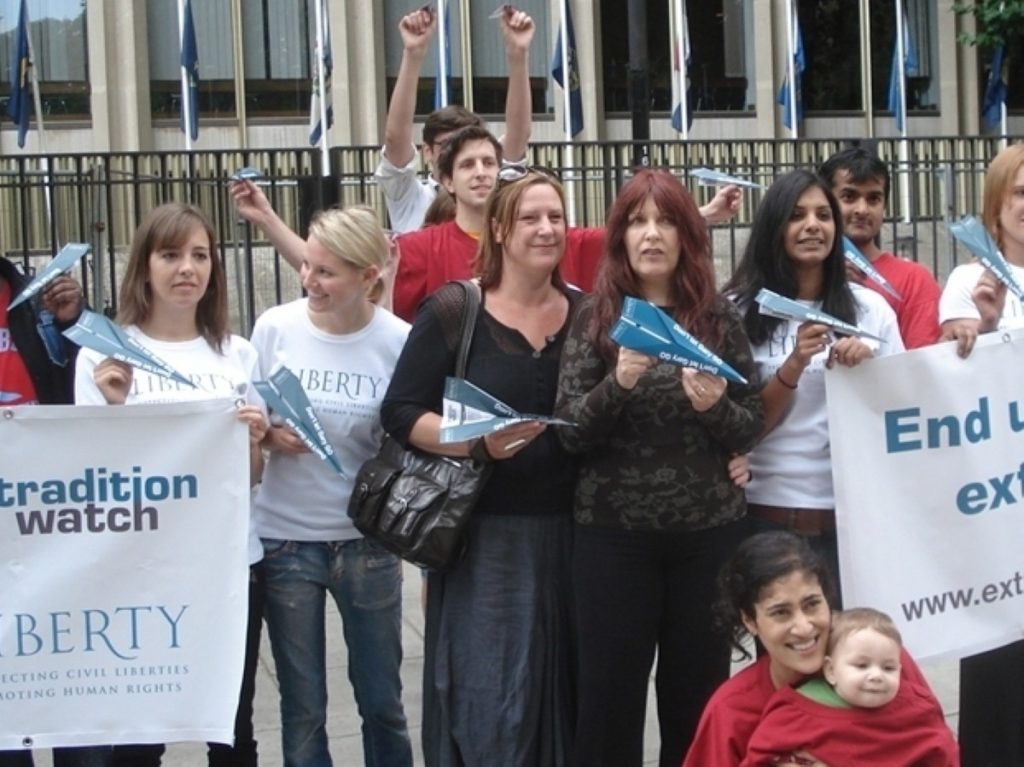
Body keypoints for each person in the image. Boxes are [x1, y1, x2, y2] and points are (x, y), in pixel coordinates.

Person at [554, 168, 764, 767]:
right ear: (619, 236)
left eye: (667, 221)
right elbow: (569, 433)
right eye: (639, 222)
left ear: (686, 236)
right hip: (612, 538)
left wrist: (715, 406)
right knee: (609, 697)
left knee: (696, 696)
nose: (652, 235)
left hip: (707, 536)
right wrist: (618, 382)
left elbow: (751, 425)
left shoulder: (717, 319)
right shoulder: (594, 318)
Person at [381, 169, 580, 766]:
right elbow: (400, 411)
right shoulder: (455, 308)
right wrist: (475, 444)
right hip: (484, 540)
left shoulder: (590, 313)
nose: (546, 229)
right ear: (498, 228)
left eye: (555, 217)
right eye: (530, 218)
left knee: (565, 697)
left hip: (576, 535)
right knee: (488, 698)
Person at [73, 203, 269, 767]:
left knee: (233, 726)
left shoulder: (237, 354)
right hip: (144, 571)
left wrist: (254, 443)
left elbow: (250, 479)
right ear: (144, 266)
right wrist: (115, 410)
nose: (187, 268)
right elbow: (93, 481)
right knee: (139, 733)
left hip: (229, 566)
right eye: (171, 254)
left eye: (200, 255)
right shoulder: (104, 355)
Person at [248, 206, 413, 767]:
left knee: (382, 700)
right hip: (286, 538)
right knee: (303, 706)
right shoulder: (274, 327)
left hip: (366, 539)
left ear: (369, 276)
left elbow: (409, 434)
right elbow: (246, 416)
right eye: (308, 267)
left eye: (326, 272)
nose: (308, 280)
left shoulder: (398, 341)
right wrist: (268, 434)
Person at [723, 169, 904, 584]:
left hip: (850, 522)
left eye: (824, 215)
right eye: (797, 215)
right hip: (762, 518)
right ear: (774, 226)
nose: (812, 226)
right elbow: (736, 428)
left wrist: (871, 372)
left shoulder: (870, 311)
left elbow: (903, 415)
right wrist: (794, 364)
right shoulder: (736, 310)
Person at [684, 531, 946, 767]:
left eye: (812, 604)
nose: (803, 627)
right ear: (750, 621)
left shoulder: (879, 661)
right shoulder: (731, 711)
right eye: (780, 613)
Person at [0, 260, 111, 767]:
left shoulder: (28, 293)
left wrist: (72, 323)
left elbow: (76, 391)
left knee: (70, 691)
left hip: (47, 517)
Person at [937, 142, 1024, 767]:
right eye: (1019, 192)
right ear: (996, 206)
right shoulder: (974, 279)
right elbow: (950, 375)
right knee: (998, 669)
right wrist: (981, 332)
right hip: (996, 513)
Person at [376, 5, 534, 233]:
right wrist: (413, 53)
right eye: (449, 145)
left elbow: (519, 134)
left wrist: (517, 54)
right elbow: (395, 138)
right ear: (427, 151)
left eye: (482, 159)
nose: (476, 168)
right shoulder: (411, 197)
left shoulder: (489, 186)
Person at [741, 607, 958, 766]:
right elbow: (761, 757)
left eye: (888, 667)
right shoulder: (797, 710)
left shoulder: (917, 711)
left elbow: (945, 755)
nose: (876, 675)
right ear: (831, 670)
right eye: (861, 665)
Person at [819, 147, 941, 348]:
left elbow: (919, 366)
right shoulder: (803, 275)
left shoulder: (914, 280)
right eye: (849, 197)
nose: (862, 210)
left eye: (873, 198)